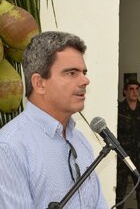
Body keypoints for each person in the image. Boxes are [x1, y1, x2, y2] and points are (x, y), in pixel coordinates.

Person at [0, 31, 108, 208]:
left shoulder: (80, 141)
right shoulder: (9, 148)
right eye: (71, 73)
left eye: (84, 72)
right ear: (39, 83)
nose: (85, 80)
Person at [116, 79, 140, 209]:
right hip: (122, 155)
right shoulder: (118, 109)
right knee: (119, 190)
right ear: (125, 92)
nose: (134, 92)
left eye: (137, 89)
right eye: (131, 89)